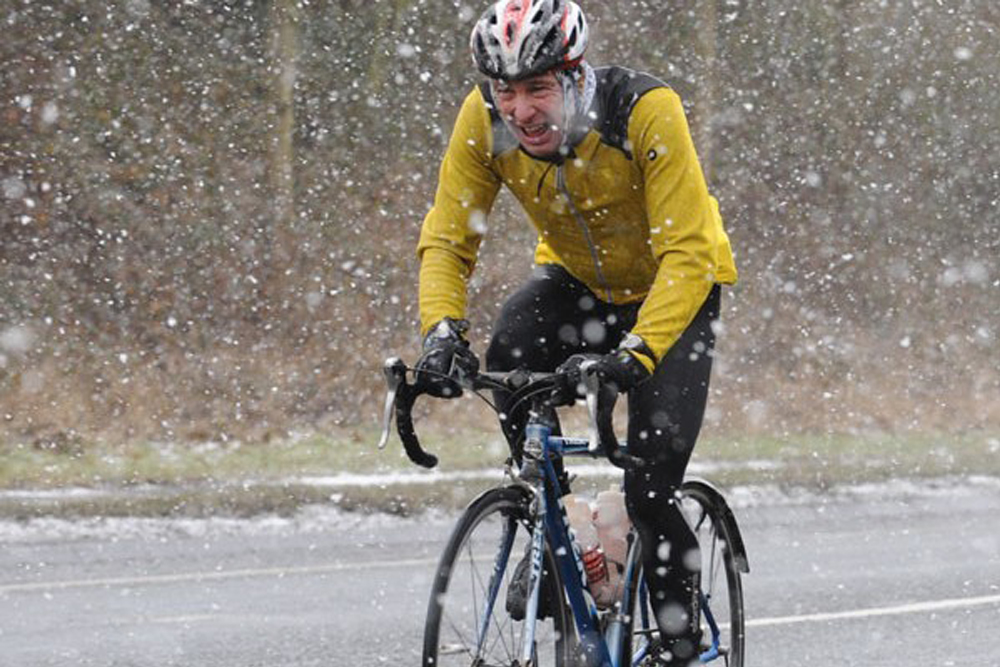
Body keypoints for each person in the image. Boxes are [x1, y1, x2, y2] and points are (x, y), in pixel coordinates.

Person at [414, 1, 737, 664]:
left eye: (537, 88)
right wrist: (441, 329)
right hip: (576, 283)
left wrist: (637, 354)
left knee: (648, 485)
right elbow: (448, 237)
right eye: (505, 90)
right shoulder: (487, 121)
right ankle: (556, 524)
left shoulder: (643, 111)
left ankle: (682, 636)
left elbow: (688, 252)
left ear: (576, 75)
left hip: (675, 291)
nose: (520, 110)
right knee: (507, 356)